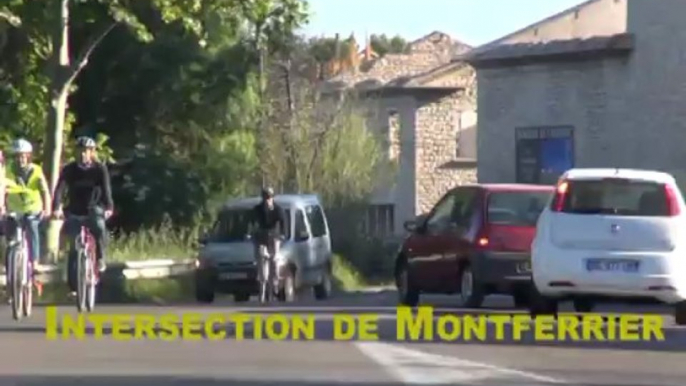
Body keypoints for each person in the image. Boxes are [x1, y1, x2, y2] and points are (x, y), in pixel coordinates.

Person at [52, 136, 114, 294]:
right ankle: (73, 286)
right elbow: (60, 189)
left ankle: (100, 257)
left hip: (94, 209)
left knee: (99, 227)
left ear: (92, 152)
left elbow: (106, 190)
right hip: (74, 210)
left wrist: (109, 207)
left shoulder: (99, 169)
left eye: (86, 151)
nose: (83, 154)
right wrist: (57, 207)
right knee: (73, 246)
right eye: (80, 150)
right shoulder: (69, 169)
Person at [0, 139, 51, 266]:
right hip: (15, 209)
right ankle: (8, 262)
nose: (20, 159)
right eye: (17, 156)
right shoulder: (8, 171)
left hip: (33, 209)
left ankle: (34, 262)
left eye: (23, 156)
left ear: (28, 156)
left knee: (32, 227)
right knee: (8, 231)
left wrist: (47, 209)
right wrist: (2, 206)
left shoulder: (36, 171)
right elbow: (2, 188)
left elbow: (45, 191)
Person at [250, 187, 287, 283]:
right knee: (259, 253)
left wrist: (282, 234)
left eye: (269, 197)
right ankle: (261, 273)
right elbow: (252, 221)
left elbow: (283, 222)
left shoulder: (278, 209)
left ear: (272, 198)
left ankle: (275, 277)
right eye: (265, 198)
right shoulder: (257, 209)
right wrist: (251, 232)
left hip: (274, 235)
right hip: (262, 235)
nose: (267, 200)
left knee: (275, 257)